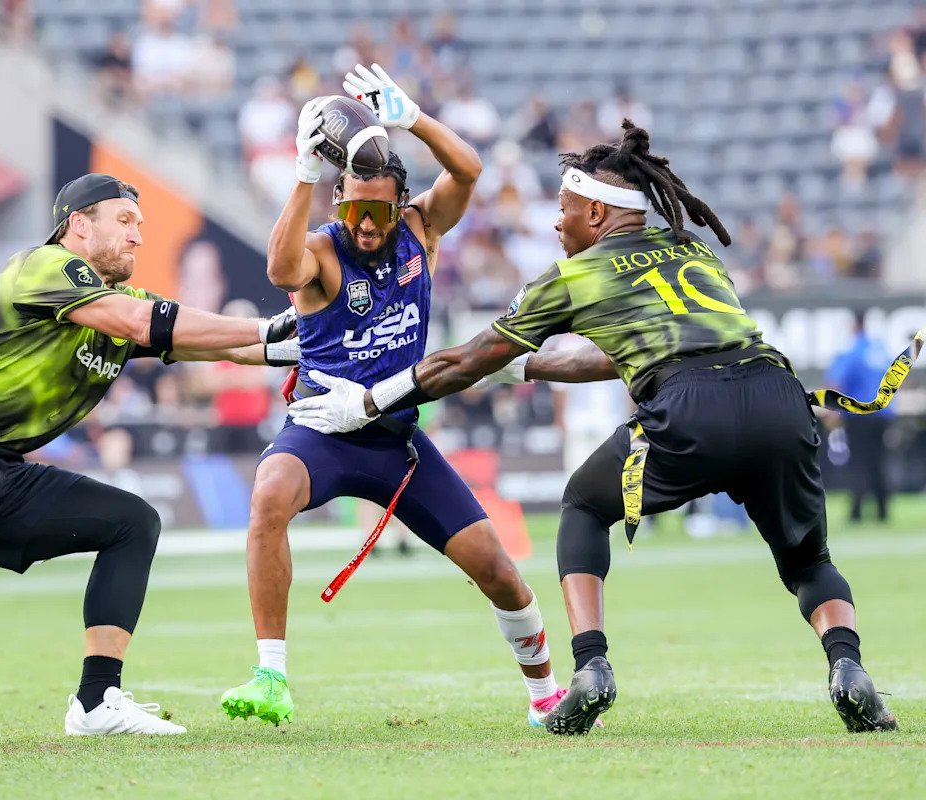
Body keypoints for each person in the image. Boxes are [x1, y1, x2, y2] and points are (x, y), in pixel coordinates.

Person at [288, 121, 898, 736]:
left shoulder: (578, 274)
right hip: (777, 396)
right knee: (809, 559)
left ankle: (590, 667)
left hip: (687, 408)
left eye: (565, 208)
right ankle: (847, 665)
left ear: (598, 211)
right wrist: (522, 367)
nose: (557, 223)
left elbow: (465, 358)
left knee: (582, 504)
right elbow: (620, 353)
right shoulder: (694, 250)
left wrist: (370, 401)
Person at [0, 174, 298, 736]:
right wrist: (269, 325)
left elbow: (213, 340)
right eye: (125, 221)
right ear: (78, 225)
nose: (138, 236)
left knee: (132, 522)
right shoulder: (42, 265)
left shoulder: (118, 306)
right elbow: (148, 324)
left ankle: (96, 702)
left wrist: (300, 343)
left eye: (141, 225)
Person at [220, 65, 567, 729]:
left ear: (399, 203)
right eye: (353, 209)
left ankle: (546, 693)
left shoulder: (420, 232)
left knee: (495, 566)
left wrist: (413, 119)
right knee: (268, 494)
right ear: (337, 202)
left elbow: (466, 172)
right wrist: (302, 169)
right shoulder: (323, 250)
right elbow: (278, 270)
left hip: (395, 443)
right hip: (321, 431)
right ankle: (271, 674)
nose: (367, 225)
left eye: (378, 211)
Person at [827, 312, 894, 523]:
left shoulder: (852, 350)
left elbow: (837, 381)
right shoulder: (880, 349)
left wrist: (831, 411)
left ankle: (856, 512)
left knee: (858, 462)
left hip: (860, 415)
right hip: (883, 414)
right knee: (878, 461)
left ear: (854, 324)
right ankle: (883, 511)